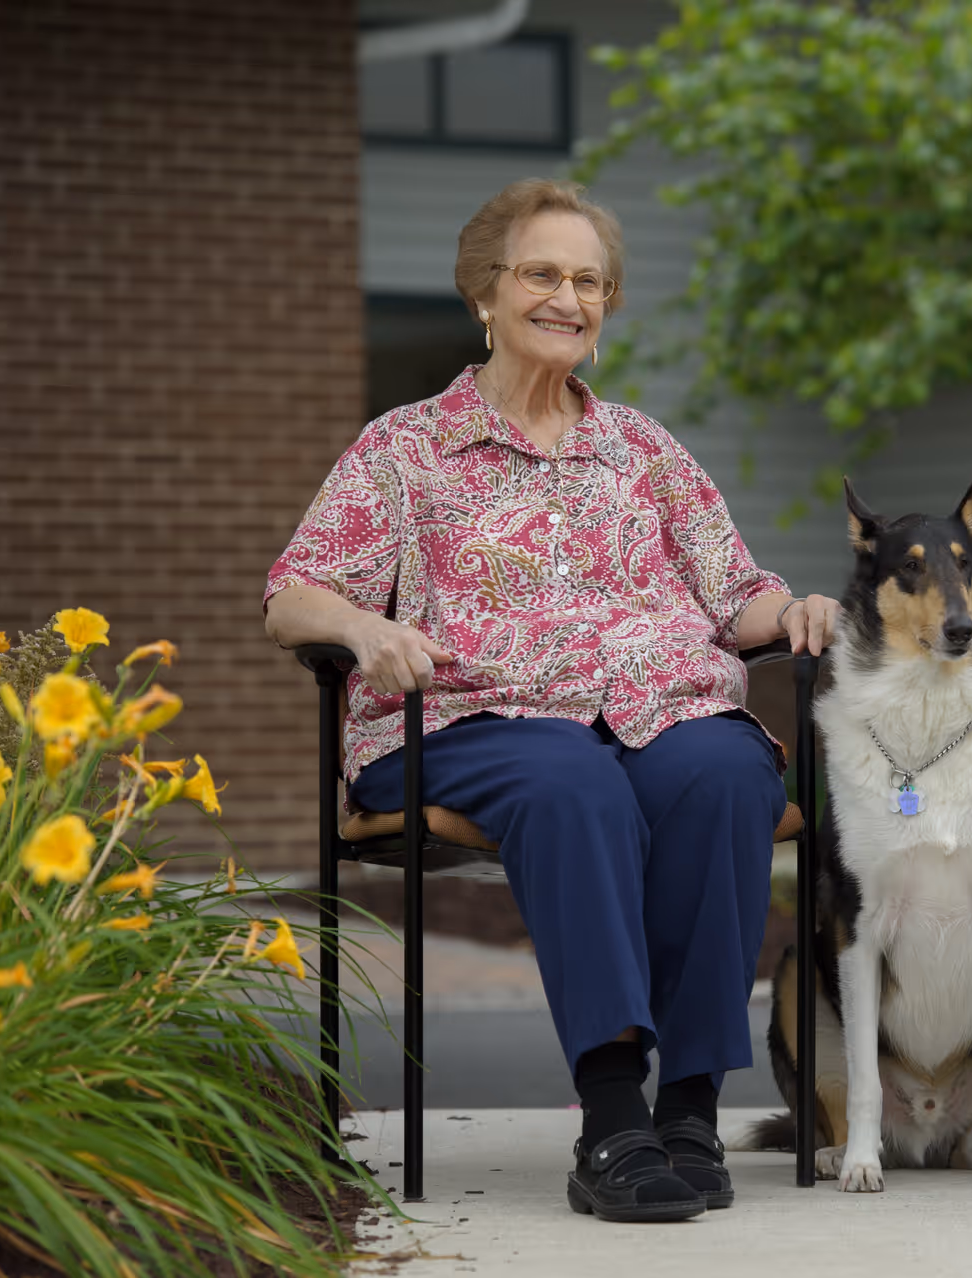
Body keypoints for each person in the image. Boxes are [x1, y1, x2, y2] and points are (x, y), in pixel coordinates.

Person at [264, 178, 839, 1224]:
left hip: (657, 707)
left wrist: (791, 609)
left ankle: (693, 1111)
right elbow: (292, 591)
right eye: (541, 273)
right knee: (572, 782)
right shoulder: (407, 447)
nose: (566, 297)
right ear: (486, 292)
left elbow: (734, 588)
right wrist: (364, 627)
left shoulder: (645, 448)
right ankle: (614, 1112)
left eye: (588, 280)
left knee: (724, 769)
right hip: (470, 716)